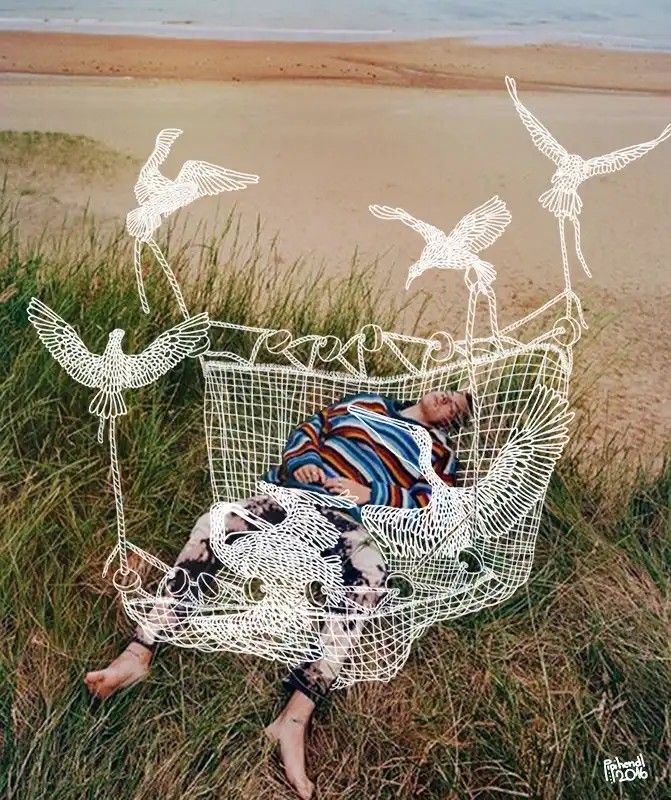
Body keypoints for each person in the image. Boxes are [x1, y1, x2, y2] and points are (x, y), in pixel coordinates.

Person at [85, 389, 473, 800]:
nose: (447, 399)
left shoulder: (438, 453)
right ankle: (138, 653)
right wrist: (304, 464)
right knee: (216, 523)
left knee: (371, 576)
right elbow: (313, 428)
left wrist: (369, 492)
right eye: (450, 392)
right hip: (296, 497)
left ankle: (294, 717)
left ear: (450, 424)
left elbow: (435, 503)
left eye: (456, 408)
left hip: (349, 517)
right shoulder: (368, 404)